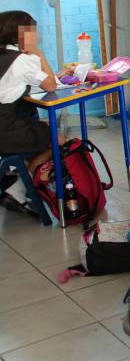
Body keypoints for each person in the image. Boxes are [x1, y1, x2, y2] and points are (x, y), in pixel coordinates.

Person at [0, 11, 61, 211]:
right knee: (59, 140)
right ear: (20, 34)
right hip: (6, 132)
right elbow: (51, 86)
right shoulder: (21, 60)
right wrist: (39, 53)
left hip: (5, 124)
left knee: (42, 126)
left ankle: (18, 182)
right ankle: (19, 190)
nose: (35, 35)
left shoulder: (6, 56)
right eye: (32, 31)